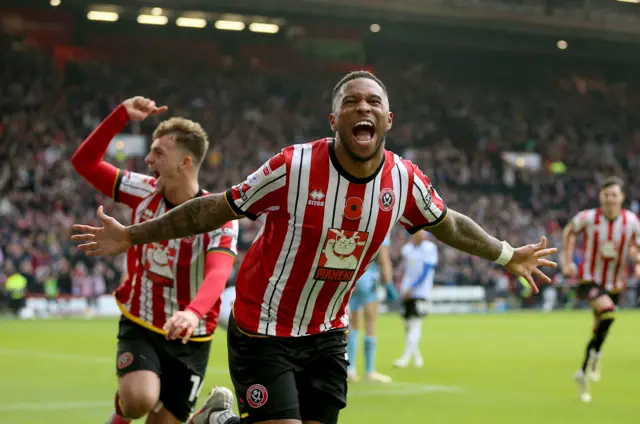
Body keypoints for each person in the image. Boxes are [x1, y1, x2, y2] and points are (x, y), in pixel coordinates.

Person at [72, 71, 557, 424]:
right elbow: (213, 208)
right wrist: (133, 235)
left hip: (328, 334)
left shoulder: (405, 181)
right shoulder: (294, 167)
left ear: (389, 119)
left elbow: (448, 223)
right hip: (263, 328)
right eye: (352, 102)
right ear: (334, 118)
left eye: (373, 102)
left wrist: (505, 254)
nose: (363, 108)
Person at [71, 97, 238, 424]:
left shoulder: (217, 215)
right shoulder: (141, 190)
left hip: (191, 335)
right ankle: (133, 405)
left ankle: (200, 418)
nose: (148, 159)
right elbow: (84, 163)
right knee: (139, 400)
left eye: (159, 153)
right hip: (141, 322)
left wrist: (192, 313)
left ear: (185, 162)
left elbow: (219, 273)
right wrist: (120, 116)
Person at [561, 176, 640, 403]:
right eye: (606, 195)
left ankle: (583, 371)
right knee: (608, 312)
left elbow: (637, 247)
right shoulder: (588, 218)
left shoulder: (632, 221)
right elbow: (569, 231)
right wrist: (567, 260)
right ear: (600, 197)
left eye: (614, 195)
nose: (610, 199)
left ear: (622, 197)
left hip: (615, 281)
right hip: (590, 279)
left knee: (600, 326)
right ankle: (594, 358)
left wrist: (637, 262)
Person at [346, 234, 396, 383]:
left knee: (353, 325)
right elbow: (383, 259)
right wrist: (389, 284)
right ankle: (369, 371)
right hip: (369, 277)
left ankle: (350, 369)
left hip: (352, 275)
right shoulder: (384, 228)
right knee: (371, 322)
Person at [393, 231, 437, 369]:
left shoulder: (429, 248)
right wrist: (403, 287)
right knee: (408, 325)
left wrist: (413, 287)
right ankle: (416, 356)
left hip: (421, 292)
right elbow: (404, 270)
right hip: (407, 291)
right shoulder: (407, 249)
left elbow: (426, 271)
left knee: (416, 323)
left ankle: (405, 358)